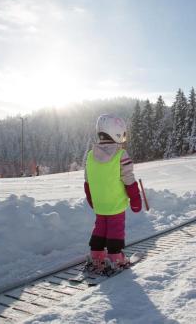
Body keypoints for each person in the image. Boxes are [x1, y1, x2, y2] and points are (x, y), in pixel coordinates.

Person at [84, 114, 142, 271]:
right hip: (115, 204)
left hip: (99, 204)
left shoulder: (90, 156)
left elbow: (87, 182)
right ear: (118, 133)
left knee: (100, 228)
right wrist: (136, 200)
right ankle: (115, 257)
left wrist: (91, 200)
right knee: (115, 229)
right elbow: (129, 180)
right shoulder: (120, 155)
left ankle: (96, 255)